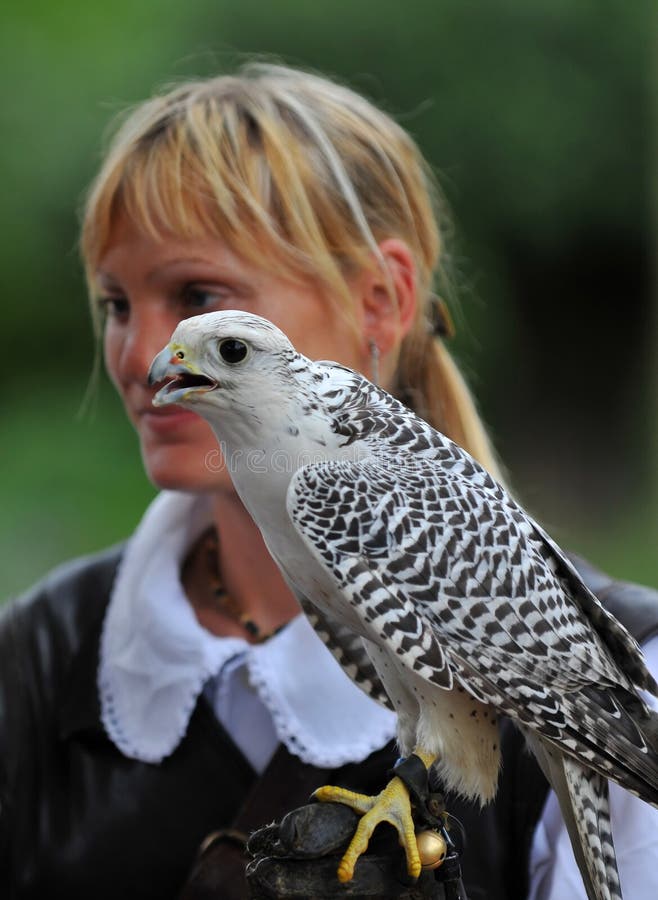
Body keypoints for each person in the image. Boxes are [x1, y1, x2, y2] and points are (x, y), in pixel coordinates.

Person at [1, 62, 657, 900]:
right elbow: (422, 703)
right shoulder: (30, 660)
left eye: (198, 295)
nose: (141, 356)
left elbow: (482, 708)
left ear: (381, 300)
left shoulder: (343, 481)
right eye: (114, 305)